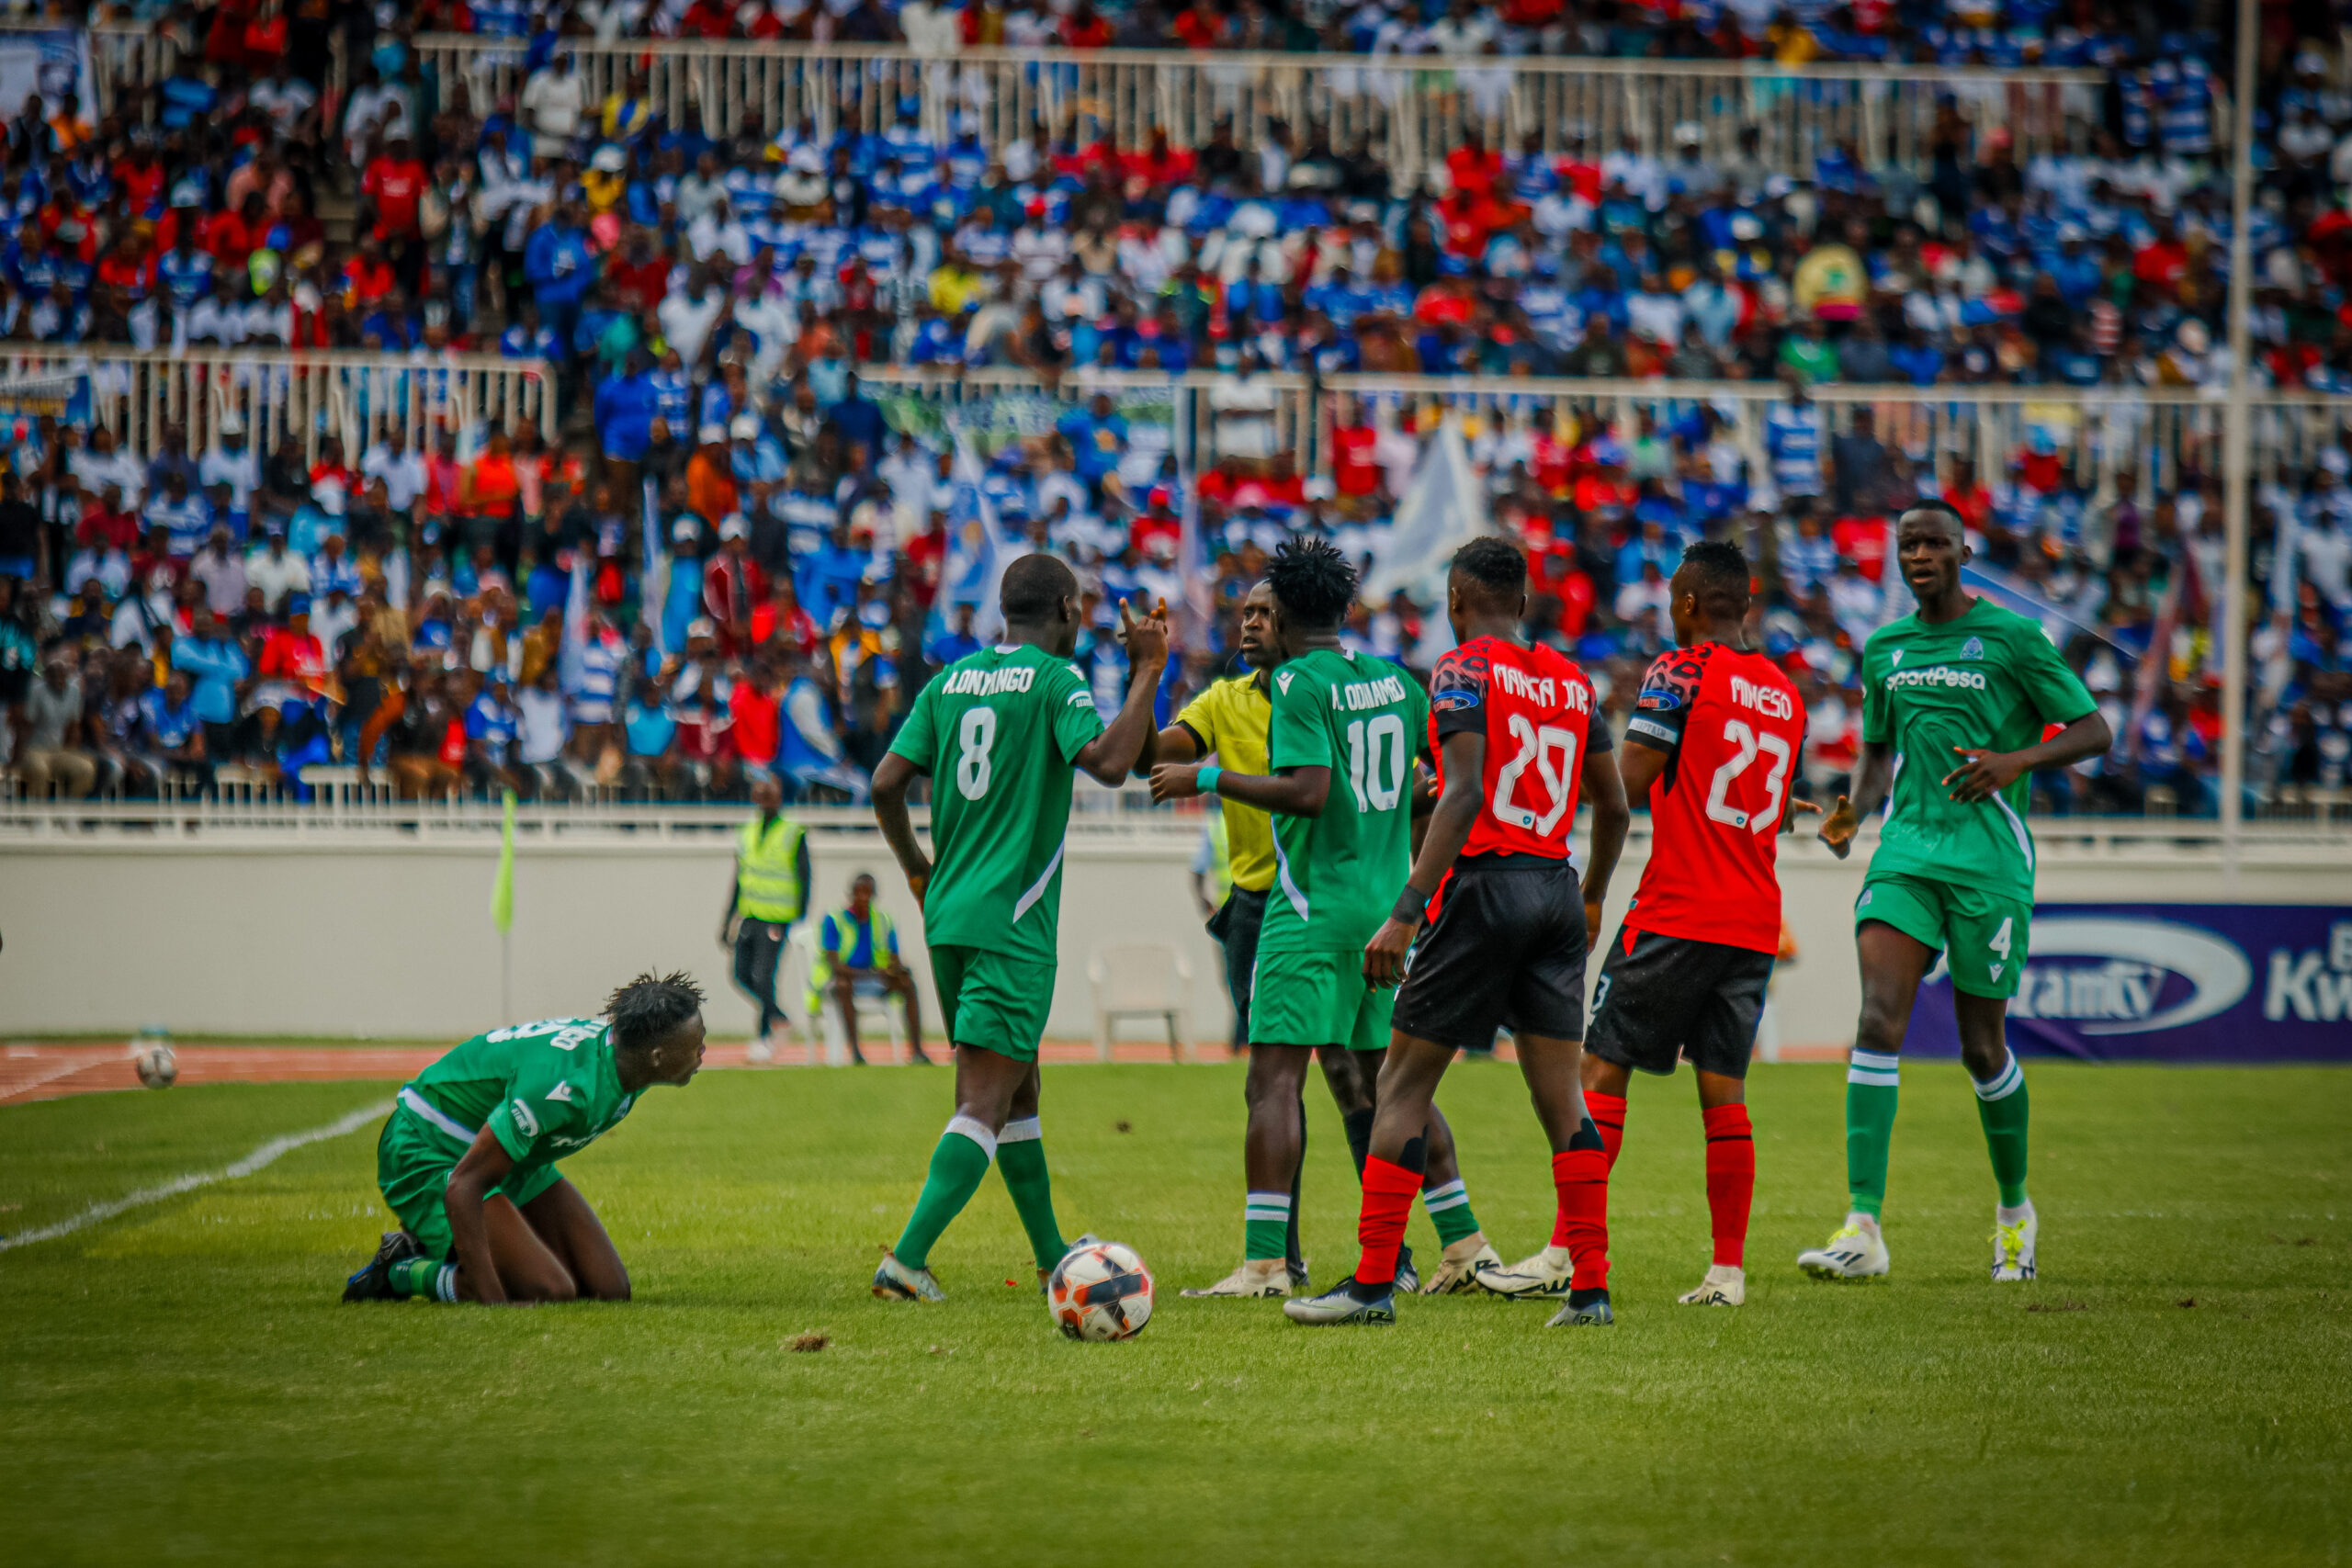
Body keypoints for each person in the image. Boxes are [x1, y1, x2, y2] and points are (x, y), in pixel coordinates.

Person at [1276, 538, 1629, 1328]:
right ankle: (1592, 1286)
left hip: (1483, 889)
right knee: (1562, 1096)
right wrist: (1594, 893)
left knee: (1400, 1086)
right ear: (1527, 600)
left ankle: (1370, 1286)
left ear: (1457, 602)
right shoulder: (1574, 680)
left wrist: (1405, 911)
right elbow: (1613, 808)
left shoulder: (1463, 668)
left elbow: (1464, 794)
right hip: (1555, 887)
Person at [1152, 538, 1480, 1307]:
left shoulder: (1298, 682)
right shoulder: (1396, 680)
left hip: (1307, 912)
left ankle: (1265, 1262)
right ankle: (1463, 1238)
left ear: (1290, 614)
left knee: (1273, 1079)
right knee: (1389, 1083)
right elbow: (1419, 790)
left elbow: (1306, 791)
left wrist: (1206, 777)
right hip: (1382, 909)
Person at [1487, 541, 1809, 1309]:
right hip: (1755, 918)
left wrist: (1543, 790)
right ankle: (1726, 1271)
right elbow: (1755, 798)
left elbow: (1624, 785)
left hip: (1678, 909)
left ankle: (1567, 1250)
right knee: (1724, 1093)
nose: (1670, 607)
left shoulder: (1681, 672)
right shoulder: (1786, 695)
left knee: (1599, 1071)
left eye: (1674, 595)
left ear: (1692, 602)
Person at [1799, 501, 2111, 1284]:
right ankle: (1863, 1226)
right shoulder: (1885, 647)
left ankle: (2014, 1214)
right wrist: (1851, 813)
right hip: (1906, 851)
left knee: (1981, 1046)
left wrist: (2016, 760)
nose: (1921, 554)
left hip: (1989, 860)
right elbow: (1876, 754)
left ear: (1963, 550)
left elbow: (2093, 729)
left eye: (1935, 542)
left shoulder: (2012, 636)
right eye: (1908, 543)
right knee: (1876, 1019)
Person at [866, 556, 1169, 1302]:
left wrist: (916, 867)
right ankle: (905, 1260)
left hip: (950, 917)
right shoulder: (1055, 680)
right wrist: (1147, 671)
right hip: (1013, 921)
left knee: (1019, 1089)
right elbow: (1108, 764)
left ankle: (1049, 1254)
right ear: (1067, 609)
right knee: (982, 1098)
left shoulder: (950, 680)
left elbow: (884, 782)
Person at [342, 974, 707, 1304]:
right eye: (697, 1044)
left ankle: (467, 1250)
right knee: (547, 1290)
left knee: (608, 1290)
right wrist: (490, 1300)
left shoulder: (628, 1061)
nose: (702, 1053)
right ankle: (401, 1269)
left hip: (509, 1155)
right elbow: (463, 1183)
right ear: (658, 1057)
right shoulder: (564, 1085)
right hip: (428, 1150)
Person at [723, 772, 811, 1064]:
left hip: (777, 918)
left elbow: (805, 876)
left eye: (771, 792)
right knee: (739, 974)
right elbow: (739, 878)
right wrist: (727, 920)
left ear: (780, 796)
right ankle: (780, 1016)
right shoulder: (746, 832)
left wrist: (799, 917)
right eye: (761, 793)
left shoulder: (793, 832)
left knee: (764, 976)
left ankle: (764, 1037)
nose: (765, 798)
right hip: (750, 914)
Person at [808, 871, 928, 1066]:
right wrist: (870, 973)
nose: (863, 898)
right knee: (843, 985)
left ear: (874, 896)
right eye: (859, 892)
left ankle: (917, 1051)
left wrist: (897, 969)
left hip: (875, 979)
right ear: (851, 894)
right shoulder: (834, 920)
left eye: (868, 893)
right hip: (844, 980)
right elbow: (834, 964)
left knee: (907, 982)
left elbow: (893, 958)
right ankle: (856, 1052)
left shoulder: (883, 920)